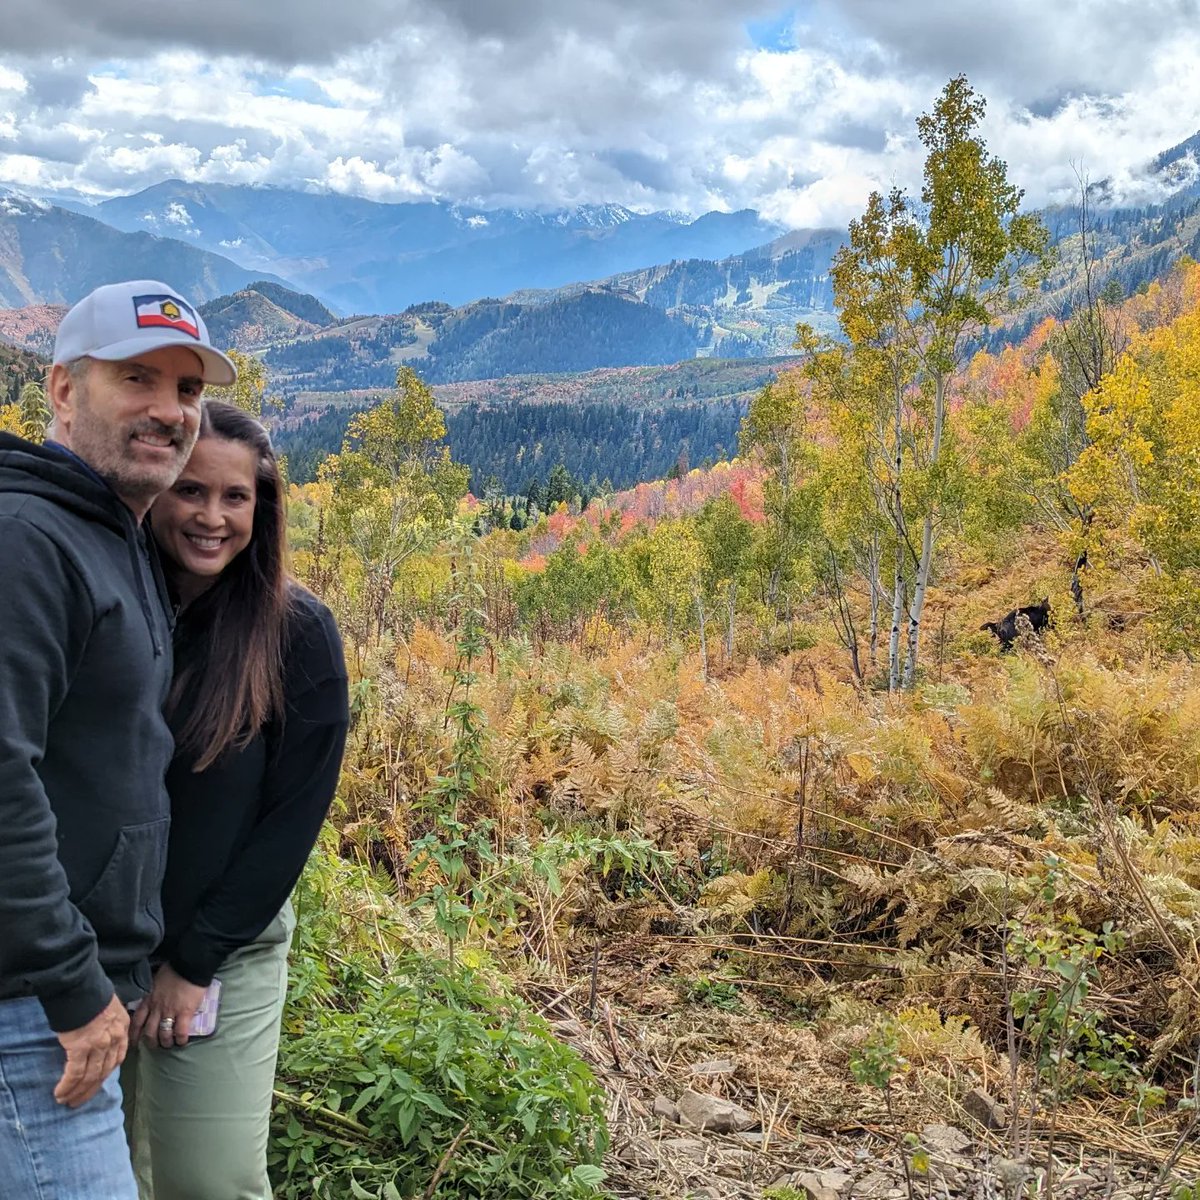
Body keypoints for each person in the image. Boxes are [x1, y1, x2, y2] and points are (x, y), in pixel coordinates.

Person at [0, 280, 236, 1198]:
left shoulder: (116, 534)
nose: (168, 411)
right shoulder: (30, 541)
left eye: (185, 389)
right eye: (136, 378)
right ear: (63, 389)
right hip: (31, 1008)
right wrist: (70, 982)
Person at [123, 400, 350, 1199]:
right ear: (155, 490)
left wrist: (193, 962)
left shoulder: (297, 633)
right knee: (106, 1174)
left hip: (224, 953)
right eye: (190, 491)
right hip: (101, 946)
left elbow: (290, 825)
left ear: (263, 508)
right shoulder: (116, 602)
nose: (211, 518)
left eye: (235, 497)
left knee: (208, 1183)